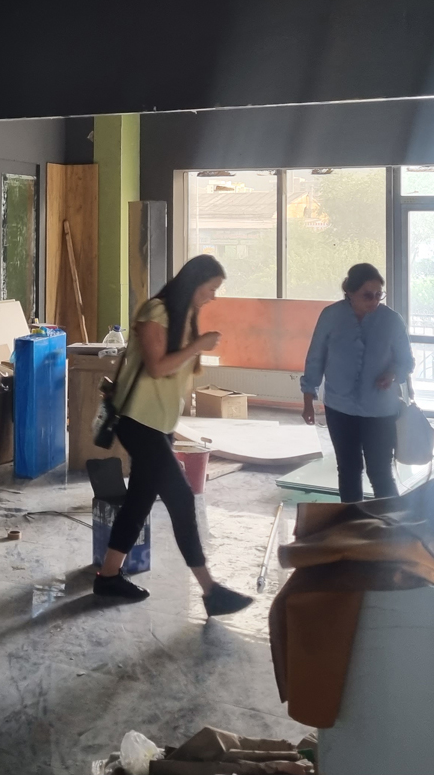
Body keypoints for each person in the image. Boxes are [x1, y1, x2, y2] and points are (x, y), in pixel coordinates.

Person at [94, 254, 253, 616]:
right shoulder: (157, 311)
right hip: (138, 422)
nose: (213, 296)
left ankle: (108, 576)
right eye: (210, 288)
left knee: (140, 500)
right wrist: (198, 346)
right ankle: (210, 590)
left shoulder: (184, 316)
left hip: (159, 424)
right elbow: (157, 367)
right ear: (193, 282)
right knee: (182, 498)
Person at [299, 262, 415, 504]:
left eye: (379, 295)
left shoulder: (392, 320)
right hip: (339, 408)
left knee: (380, 472)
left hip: (380, 410)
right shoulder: (331, 316)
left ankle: (392, 522)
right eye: (367, 295)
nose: (374, 301)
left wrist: (392, 374)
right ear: (349, 292)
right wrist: (308, 398)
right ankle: (352, 520)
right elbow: (316, 357)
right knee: (348, 469)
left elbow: (406, 361)